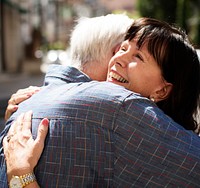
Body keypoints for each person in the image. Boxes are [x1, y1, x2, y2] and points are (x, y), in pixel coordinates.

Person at [1, 17, 200, 187]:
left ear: (163, 89)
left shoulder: (30, 103)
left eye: (138, 56)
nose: (120, 58)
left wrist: (22, 176)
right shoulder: (119, 106)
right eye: (122, 48)